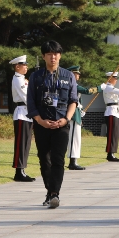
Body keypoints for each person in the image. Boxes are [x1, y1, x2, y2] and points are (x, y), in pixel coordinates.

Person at [27, 40, 78, 208]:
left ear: (60, 56)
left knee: (58, 159)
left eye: (56, 54)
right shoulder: (36, 76)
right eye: (49, 54)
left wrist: (67, 119)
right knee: (44, 159)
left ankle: (55, 193)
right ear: (43, 56)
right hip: (42, 124)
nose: (53, 57)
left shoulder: (68, 76)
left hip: (61, 123)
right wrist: (41, 121)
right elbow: (31, 102)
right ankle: (49, 191)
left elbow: (73, 100)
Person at [9, 55, 35, 182]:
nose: (26, 67)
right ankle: (19, 171)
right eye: (24, 65)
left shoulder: (24, 80)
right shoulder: (18, 79)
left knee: (26, 144)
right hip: (22, 113)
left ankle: (22, 169)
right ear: (17, 66)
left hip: (27, 114)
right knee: (21, 144)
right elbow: (26, 97)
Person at [66, 66, 96, 171]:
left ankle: (74, 160)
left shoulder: (73, 85)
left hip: (77, 113)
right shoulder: (72, 84)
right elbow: (87, 91)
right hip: (73, 114)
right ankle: (72, 162)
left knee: (76, 139)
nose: (78, 76)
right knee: (74, 139)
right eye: (76, 74)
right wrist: (100, 87)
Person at [100, 73, 119, 161]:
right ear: (110, 79)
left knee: (115, 134)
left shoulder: (111, 88)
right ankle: (110, 153)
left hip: (114, 111)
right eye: (114, 78)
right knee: (111, 134)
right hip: (110, 113)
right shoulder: (108, 87)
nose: (116, 80)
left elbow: (115, 100)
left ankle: (112, 152)